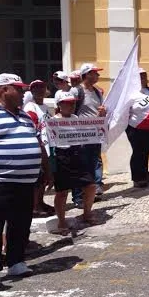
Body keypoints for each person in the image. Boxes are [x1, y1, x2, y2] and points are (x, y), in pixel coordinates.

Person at [0, 73, 52, 278]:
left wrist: (47, 170)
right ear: (4, 90)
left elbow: (38, 143)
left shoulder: (25, 117)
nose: (23, 93)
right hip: (1, 182)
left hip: (26, 182)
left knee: (20, 223)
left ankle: (16, 262)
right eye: (18, 89)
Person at [52, 91, 96, 233]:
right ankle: (61, 221)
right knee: (62, 192)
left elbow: (88, 132)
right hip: (62, 157)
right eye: (67, 103)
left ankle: (86, 213)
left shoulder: (76, 118)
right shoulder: (53, 121)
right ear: (59, 105)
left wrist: (100, 118)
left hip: (77, 154)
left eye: (73, 103)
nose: (71, 105)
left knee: (90, 185)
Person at [75, 63, 107, 205]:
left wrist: (102, 114)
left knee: (93, 165)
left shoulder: (97, 92)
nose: (98, 76)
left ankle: (89, 195)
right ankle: (78, 197)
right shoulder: (77, 91)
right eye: (95, 73)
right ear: (87, 74)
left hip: (95, 134)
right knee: (80, 166)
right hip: (81, 135)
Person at [23, 80, 54, 217]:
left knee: (44, 177)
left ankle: (40, 202)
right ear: (32, 91)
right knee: (39, 177)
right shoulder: (31, 107)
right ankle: (35, 206)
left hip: (47, 143)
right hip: (38, 144)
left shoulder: (45, 107)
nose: (40, 90)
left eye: (42, 87)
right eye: (36, 88)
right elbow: (33, 126)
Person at [126, 69, 149, 188]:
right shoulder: (130, 93)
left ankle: (145, 173)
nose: (143, 79)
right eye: (140, 77)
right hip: (136, 128)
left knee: (146, 152)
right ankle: (137, 178)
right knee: (138, 152)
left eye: (145, 76)